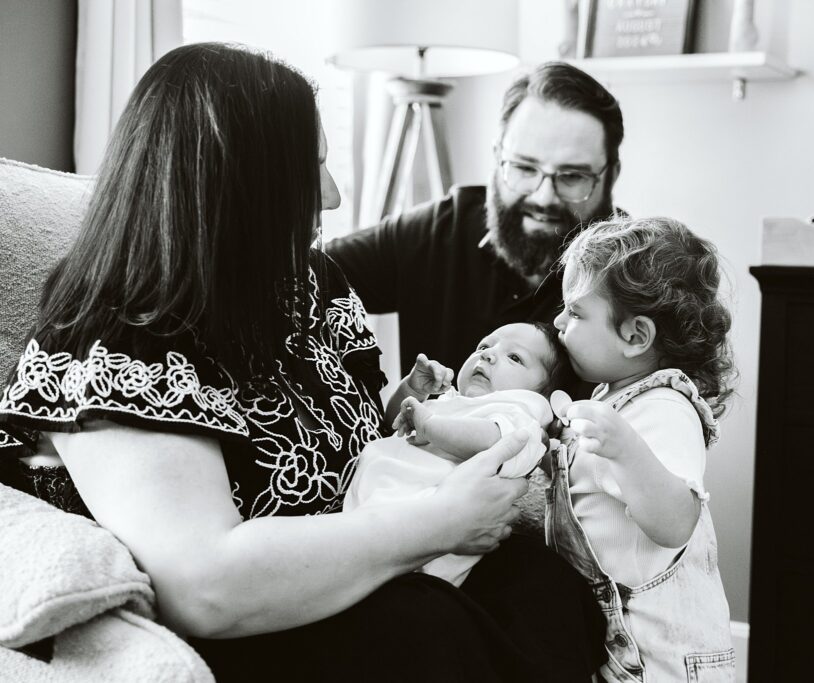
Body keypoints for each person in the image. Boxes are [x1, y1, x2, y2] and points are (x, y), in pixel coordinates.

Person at [0, 43, 605, 682]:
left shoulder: (309, 284)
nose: (335, 195)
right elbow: (205, 584)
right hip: (263, 614)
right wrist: (439, 521)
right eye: (312, 166)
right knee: (421, 626)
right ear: (240, 182)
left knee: (544, 586)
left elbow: (360, 439)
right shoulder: (118, 338)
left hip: (366, 555)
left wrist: (407, 406)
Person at [325, 61, 624, 382]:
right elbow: (299, 276)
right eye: (524, 168)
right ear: (497, 159)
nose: (543, 197)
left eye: (572, 176)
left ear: (611, 177)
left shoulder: (638, 274)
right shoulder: (440, 229)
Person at [549, 216, 738, 682]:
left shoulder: (665, 407)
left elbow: (675, 522)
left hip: (665, 659)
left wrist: (625, 448)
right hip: (620, 641)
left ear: (635, 336)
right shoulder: (612, 396)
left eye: (574, 312)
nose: (558, 322)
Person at [345, 321, 575, 586]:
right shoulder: (451, 401)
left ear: (543, 394)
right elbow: (393, 425)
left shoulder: (522, 413)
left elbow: (493, 440)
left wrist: (431, 426)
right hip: (373, 516)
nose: (488, 354)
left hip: (427, 545)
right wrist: (412, 392)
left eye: (514, 357)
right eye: (484, 346)